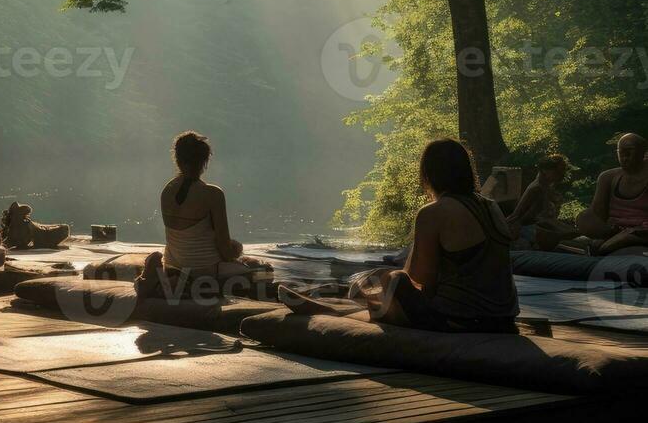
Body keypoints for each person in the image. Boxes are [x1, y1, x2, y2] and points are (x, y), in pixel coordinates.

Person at [296, 139, 518, 333]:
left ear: (429, 175)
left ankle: (330, 311)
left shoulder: (434, 212)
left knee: (394, 280)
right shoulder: (491, 207)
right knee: (387, 282)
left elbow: (420, 278)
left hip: (460, 321)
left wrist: (377, 284)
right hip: (504, 320)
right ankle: (340, 306)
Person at [158, 132, 244, 272]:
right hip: (205, 270)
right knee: (258, 265)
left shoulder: (167, 190)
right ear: (204, 161)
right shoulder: (213, 194)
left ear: (178, 160)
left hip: (172, 267)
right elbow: (225, 251)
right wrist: (236, 249)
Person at [575, 133, 648, 255]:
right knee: (584, 217)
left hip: (641, 231)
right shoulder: (608, 177)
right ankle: (615, 238)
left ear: (643, 152)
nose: (625, 157)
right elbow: (597, 213)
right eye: (621, 152)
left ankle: (622, 239)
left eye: (629, 151)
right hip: (614, 230)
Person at [506, 154, 580, 252]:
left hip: (542, 227)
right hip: (532, 230)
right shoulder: (536, 189)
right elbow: (517, 215)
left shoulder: (547, 187)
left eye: (562, 172)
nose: (561, 175)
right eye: (557, 172)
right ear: (545, 170)